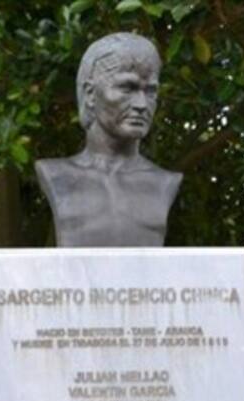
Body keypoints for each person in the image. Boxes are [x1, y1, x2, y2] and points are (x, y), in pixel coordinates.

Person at [35, 32, 182, 247]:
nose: (142, 104)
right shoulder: (55, 176)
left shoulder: (165, 183)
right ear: (91, 93)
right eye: (127, 88)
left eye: (150, 91)